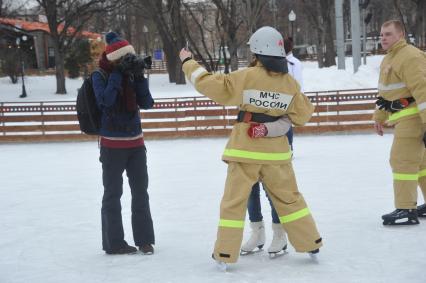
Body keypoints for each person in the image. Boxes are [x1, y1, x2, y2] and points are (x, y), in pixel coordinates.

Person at [179, 26, 322, 267]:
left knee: (234, 202)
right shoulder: (290, 84)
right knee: (290, 200)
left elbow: (208, 84)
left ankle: (225, 253)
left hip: (244, 151)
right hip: (276, 154)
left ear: (257, 52)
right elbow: (303, 114)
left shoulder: (245, 77)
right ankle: (310, 243)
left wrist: (188, 62)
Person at [241, 36, 305, 257]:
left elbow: (294, 104)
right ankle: (257, 232)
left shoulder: (291, 68)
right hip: (248, 139)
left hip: (274, 133)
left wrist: (268, 126)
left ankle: (280, 234)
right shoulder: (250, 72)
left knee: (274, 188)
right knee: (250, 189)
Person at [93, 32, 155, 254]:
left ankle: (145, 240)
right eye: (123, 59)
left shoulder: (131, 75)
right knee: (112, 194)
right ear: (114, 60)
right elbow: (106, 102)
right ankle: (114, 243)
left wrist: (139, 77)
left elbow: (147, 103)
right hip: (112, 146)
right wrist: (117, 75)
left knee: (140, 192)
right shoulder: (99, 76)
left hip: (136, 145)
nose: (127, 62)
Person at [373, 20, 426, 225]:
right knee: (420, 164)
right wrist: (379, 116)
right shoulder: (390, 58)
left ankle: (406, 208)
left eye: (388, 34)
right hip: (404, 117)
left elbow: (422, 91)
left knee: (401, 160)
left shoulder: (410, 56)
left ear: (400, 35)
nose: (383, 38)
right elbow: (390, 93)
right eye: (381, 34)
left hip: (413, 119)